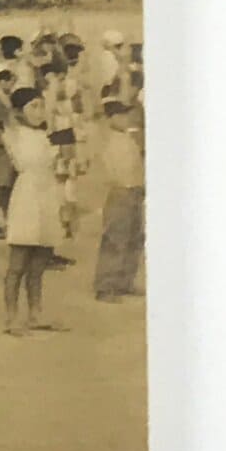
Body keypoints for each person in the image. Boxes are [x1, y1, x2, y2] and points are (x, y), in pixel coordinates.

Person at [0, 83, 64, 334]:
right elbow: (3, 108)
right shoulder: (14, 131)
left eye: (42, 105)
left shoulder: (48, 135)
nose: (40, 111)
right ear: (20, 111)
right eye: (34, 106)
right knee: (18, 264)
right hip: (27, 196)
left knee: (39, 264)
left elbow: (72, 139)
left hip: (48, 194)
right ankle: (11, 318)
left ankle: (35, 314)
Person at [92, 96, 146, 302]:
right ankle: (105, 286)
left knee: (134, 238)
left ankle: (124, 282)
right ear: (110, 118)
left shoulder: (127, 137)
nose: (125, 118)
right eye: (120, 115)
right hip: (119, 192)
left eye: (125, 114)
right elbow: (111, 171)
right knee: (115, 239)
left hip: (134, 191)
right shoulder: (107, 139)